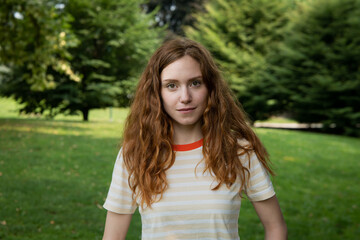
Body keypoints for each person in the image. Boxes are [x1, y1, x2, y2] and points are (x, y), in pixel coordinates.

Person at [102, 38, 287, 240]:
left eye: (195, 83)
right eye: (172, 85)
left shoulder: (238, 151)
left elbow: (276, 227)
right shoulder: (136, 154)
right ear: (157, 93)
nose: (185, 97)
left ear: (210, 88)